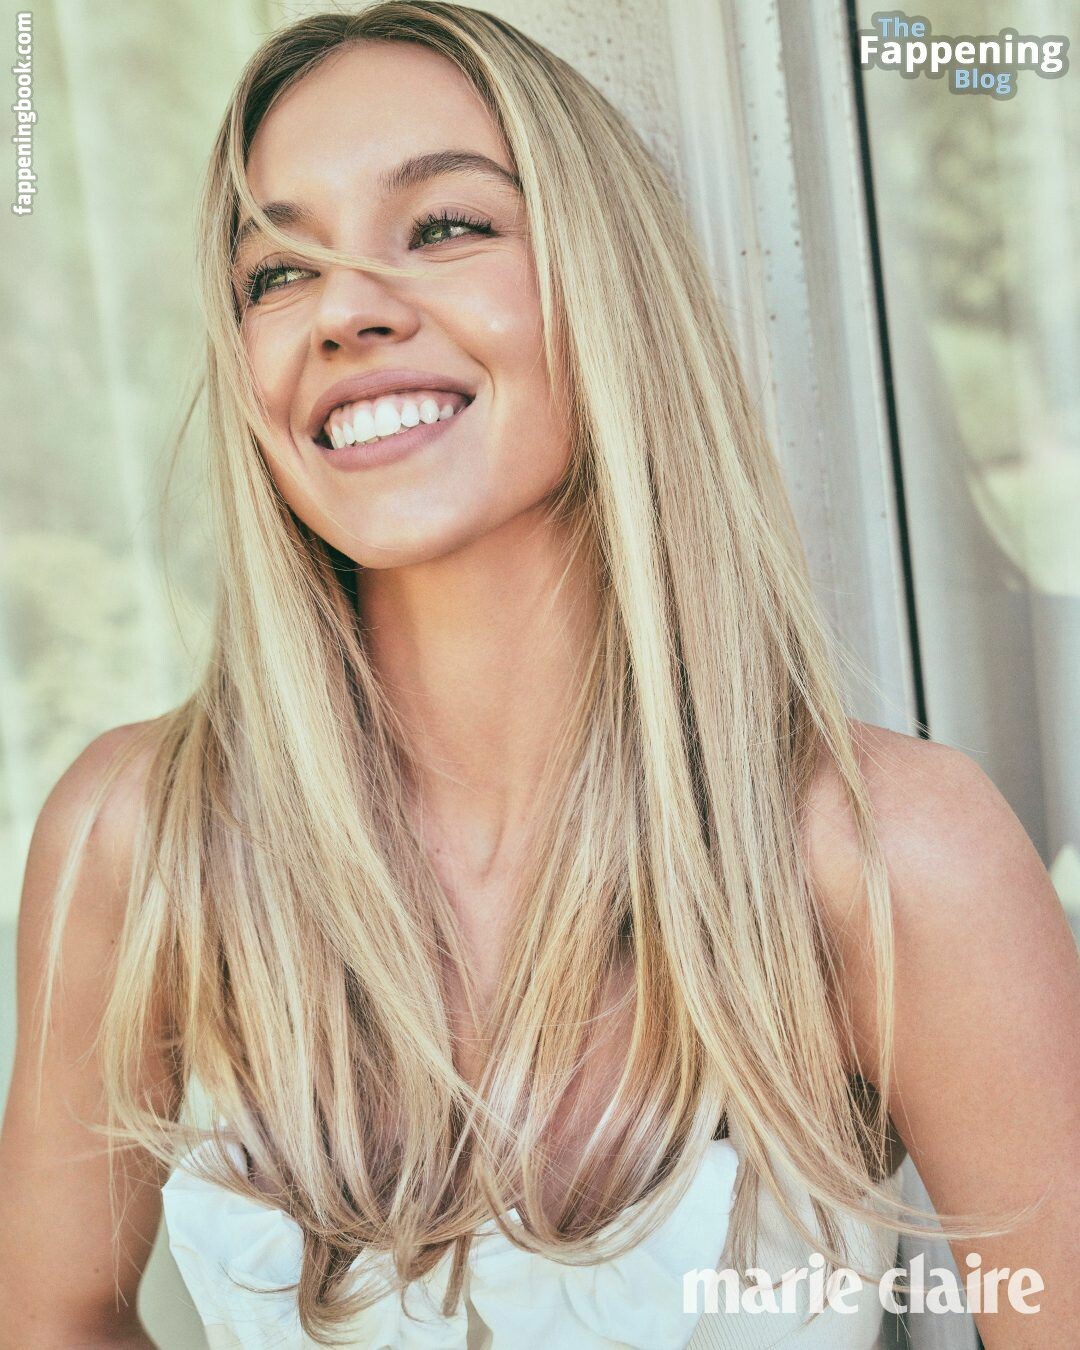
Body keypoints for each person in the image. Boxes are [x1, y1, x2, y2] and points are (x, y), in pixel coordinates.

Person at [1, 4, 1077, 1347]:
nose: (344, 309)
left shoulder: (886, 851)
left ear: (607, 286)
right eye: (276, 272)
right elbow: (53, 1318)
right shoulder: (136, 836)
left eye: (445, 226)